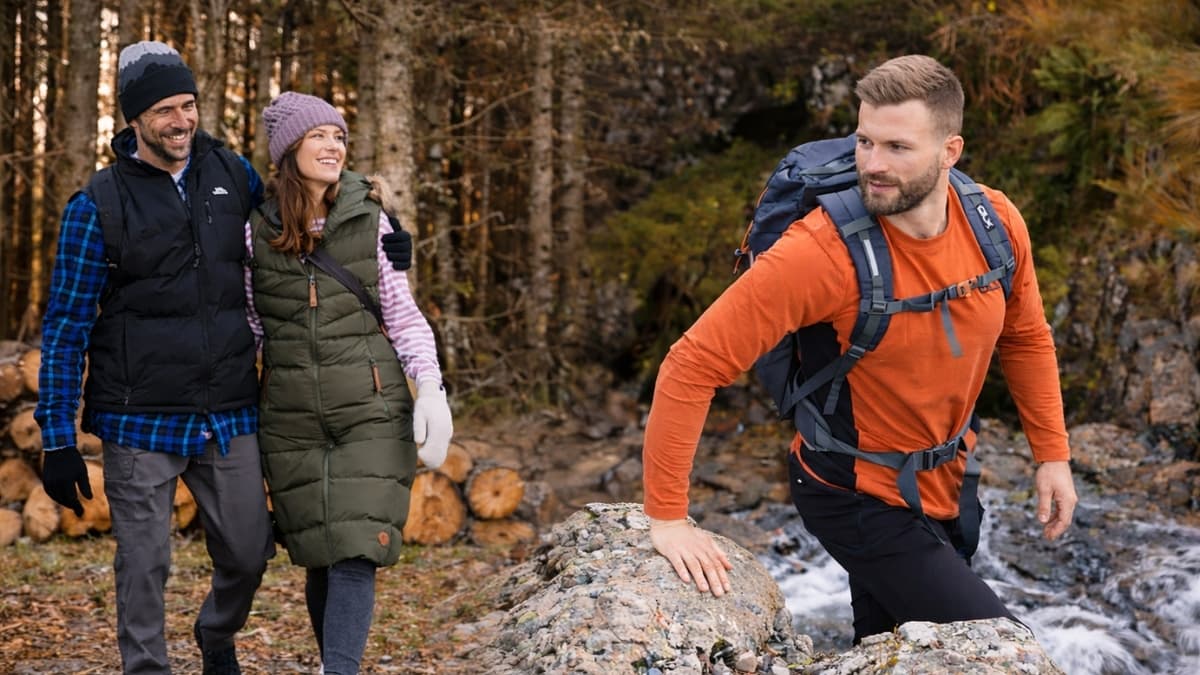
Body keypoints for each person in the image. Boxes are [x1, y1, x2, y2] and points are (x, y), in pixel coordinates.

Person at [641, 54, 1078, 643]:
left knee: (891, 646)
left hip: (951, 481)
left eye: (897, 147)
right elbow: (691, 365)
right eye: (864, 142)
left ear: (950, 151)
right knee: (998, 650)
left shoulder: (993, 222)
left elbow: (1025, 337)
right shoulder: (820, 254)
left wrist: (1052, 455)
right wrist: (668, 518)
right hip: (854, 493)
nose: (873, 164)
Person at [35, 41, 273, 674]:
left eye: (188, 105)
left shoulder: (233, 174)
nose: (181, 120)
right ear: (135, 119)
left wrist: (377, 232)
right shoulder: (97, 204)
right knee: (145, 566)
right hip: (138, 418)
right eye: (165, 109)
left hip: (227, 409)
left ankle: (216, 634)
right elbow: (65, 325)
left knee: (249, 552)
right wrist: (57, 437)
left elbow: (293, 230)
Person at [247, 91, 453, 675]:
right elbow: (252, 327)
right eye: (319, 136)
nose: (333, 146)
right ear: (289, 150)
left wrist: (430, 387)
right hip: (291, 419)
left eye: (339, 136)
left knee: (356, 550)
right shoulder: (254, 232)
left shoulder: (372, 220)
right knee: (320, 551)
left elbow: (403, 315)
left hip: (370, 409)